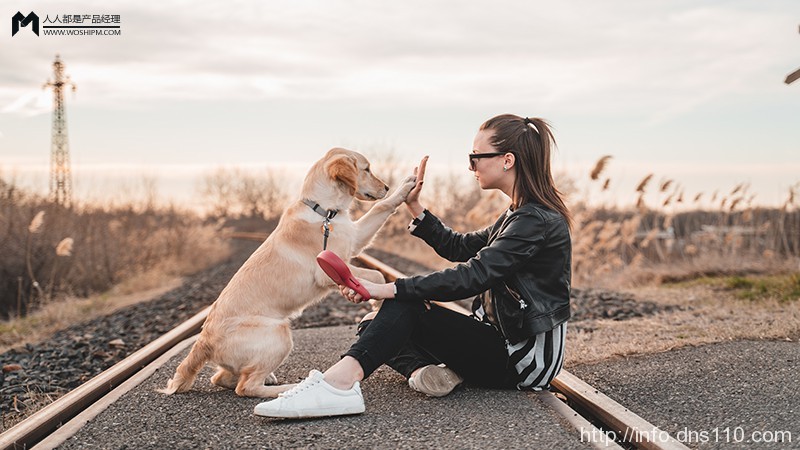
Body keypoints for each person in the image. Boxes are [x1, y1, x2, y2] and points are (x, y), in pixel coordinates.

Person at [254, 114, 573, 419]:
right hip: (499, 341)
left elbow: (474, 275)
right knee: (374, 323)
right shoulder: (518, 215)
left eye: (475, 156)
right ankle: (425, 373)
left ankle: (337, 386)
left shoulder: (535, 221)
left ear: (507, 159)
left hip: (524, 360)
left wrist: (388, 288)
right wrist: (414, 206)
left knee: (400, 307)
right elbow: (459, 247)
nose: (471, 166)